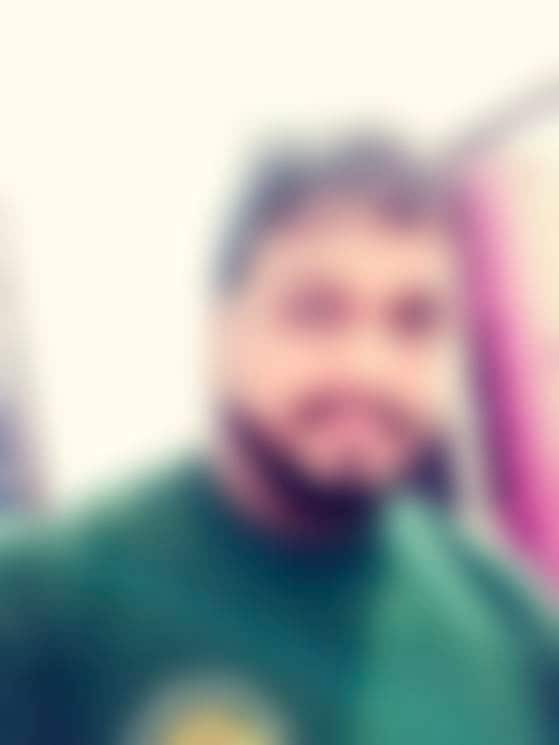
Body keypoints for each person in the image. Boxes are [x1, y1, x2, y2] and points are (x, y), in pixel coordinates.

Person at [0, 137, 557, 745]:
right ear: (220, 337)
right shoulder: (43, 612)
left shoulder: (510, 630)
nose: (367, 368)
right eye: (315, 312)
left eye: (414, 320)